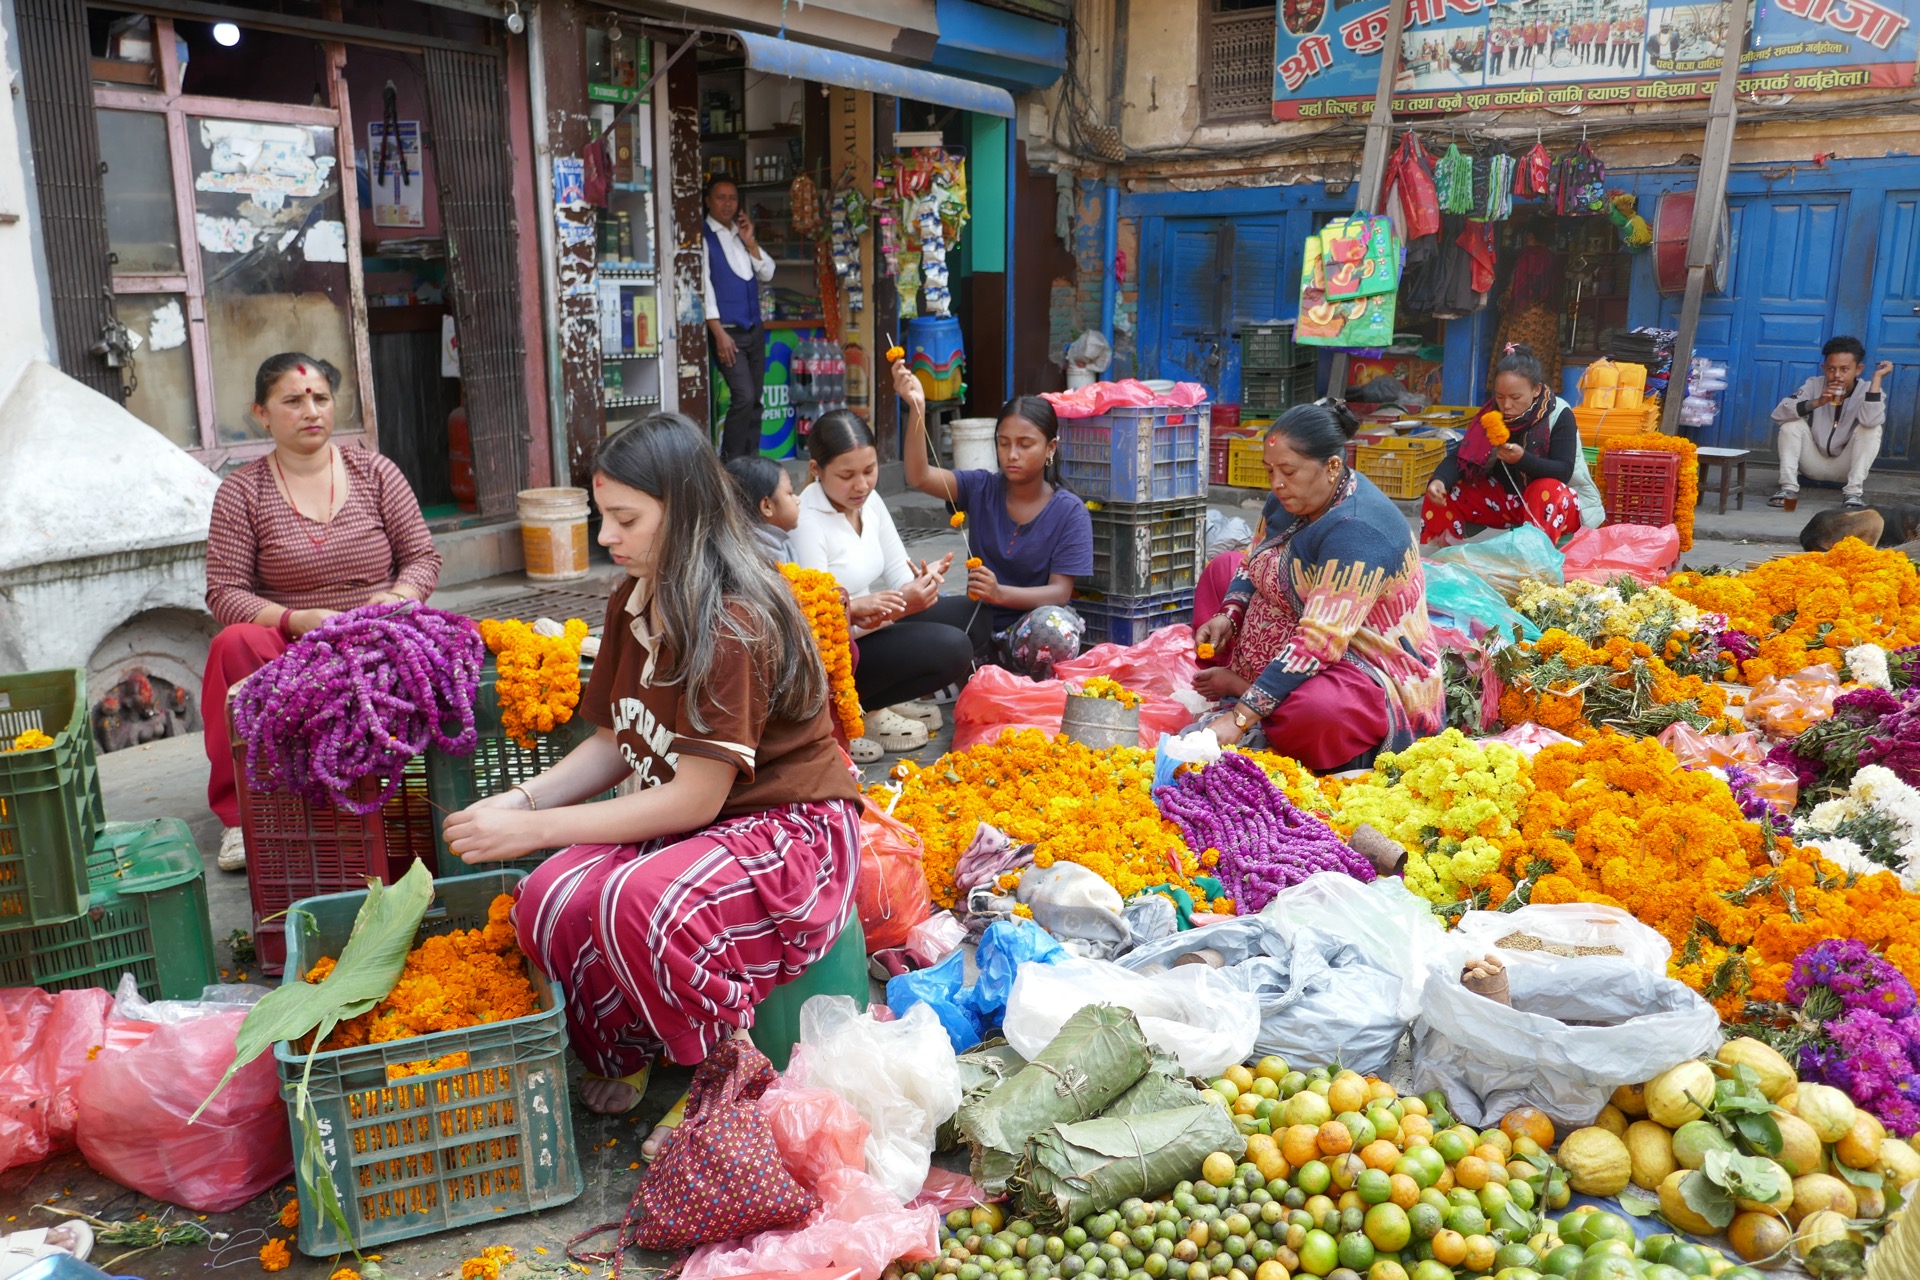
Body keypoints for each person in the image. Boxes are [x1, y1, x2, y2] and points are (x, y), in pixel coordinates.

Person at [441, 412, 862, 1146]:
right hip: (698, 824)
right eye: (605, 517)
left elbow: (697, 796)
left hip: (793, 831)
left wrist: (534, 829)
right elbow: (615, 742)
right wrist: (519, 800)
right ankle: (628, 1047)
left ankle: (727, 1080)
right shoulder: (634, 601)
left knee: (643, 903)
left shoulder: (734, 620)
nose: (607, 538)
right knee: (546, 897)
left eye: (624, 519)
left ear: (686, 512)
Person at [202, 353, 441, 873]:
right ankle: (243, 818)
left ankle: (406, 794)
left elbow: (422, 556)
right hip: (293, 644)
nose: (310, 410)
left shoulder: (376, 471)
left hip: (380, 636)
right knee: (232, 645)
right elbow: (224, 592)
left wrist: (400, 594)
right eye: (292, 400)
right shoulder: (241, 492)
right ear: (262, 414)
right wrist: (295, 619)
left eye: (321, 398)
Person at [1190, 404, 1443, 772]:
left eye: (1288, 471)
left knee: (1317, 712)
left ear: (1333, 467)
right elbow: (1252, 557)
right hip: (1304, 614)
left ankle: (1248, 689)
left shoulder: (1359, 533)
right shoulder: (1289, 496)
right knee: (1221, 570)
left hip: (1364, 658)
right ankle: (1254, 687)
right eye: (1270, 470)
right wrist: (1229, 615)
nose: (1276, 483)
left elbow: (1319, 641)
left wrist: (1240, 718)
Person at [895, 358, 1095, 679]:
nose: (1012, 454)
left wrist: (1000, 593)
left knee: (1054, 628)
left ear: (1050, 448)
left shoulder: (1069, 511)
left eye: (1024, 444)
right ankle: (969, 672)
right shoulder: (980, 487)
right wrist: (917, 409)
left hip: (1026, 634)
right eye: (1003, 443)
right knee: (908, 605)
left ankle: (1018, 684)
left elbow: (1059, 593)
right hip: (977, 624)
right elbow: (919, 476)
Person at [790, 409, 967, 757]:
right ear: (816, 470)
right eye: (847, 475)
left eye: (869, 471)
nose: (861, 485)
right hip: (841, 652)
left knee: (973, 614)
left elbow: (899, 575)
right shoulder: (805, 521)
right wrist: (901, 606)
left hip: (873, 625)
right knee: (953, 647)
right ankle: (860, 711)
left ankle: (888, 700)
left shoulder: (870, 501)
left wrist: (923, 581)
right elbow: (819, 633)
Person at [1422, 343, 1604, 546]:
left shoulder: (1559, 414)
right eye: (1500, 397)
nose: (1507, 405)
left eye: (1515, 397)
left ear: (1536, 390)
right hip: (1509, 502)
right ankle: (1444, 557)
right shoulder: (1492, 414)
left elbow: (1563, 470)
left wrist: (1523, 459)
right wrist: (1439, 480)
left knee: (1546, 488)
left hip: (1558, 504)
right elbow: (1462, 456)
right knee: (1442, 487)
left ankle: (1534, 559)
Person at [1770, 335, 1893, 510]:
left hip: (1844, 468)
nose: (1836, 376)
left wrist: (1877, 378)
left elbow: (1871, 420)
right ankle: (1789, 491)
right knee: (1790, 425)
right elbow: (1778, 415)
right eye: (1831, 369)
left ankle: (1853, 494)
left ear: (1858, 369)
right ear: (1823, 368)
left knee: (1871, 430)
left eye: (1844, 369)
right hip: (1812, 465)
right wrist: (1817, 402)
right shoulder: (1814, 385)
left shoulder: (1867, 389)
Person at [702, 177, 776, 460]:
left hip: (754, 330)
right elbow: (705, 288)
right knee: (743, 396)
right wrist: (718, 332)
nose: (727, 203)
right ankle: (730, 463)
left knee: (755, 399)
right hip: (728, 333)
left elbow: (768, 272)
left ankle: (752, 460)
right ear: (708, 201)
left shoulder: (741, 236)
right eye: (720, 197)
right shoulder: (704, 237)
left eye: (732, 198)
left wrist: (750, 241)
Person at [724, 455, 800, 563]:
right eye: (790, 493)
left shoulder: (783, 543)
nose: (797, 500)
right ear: (767, 506)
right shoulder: (758, 559)